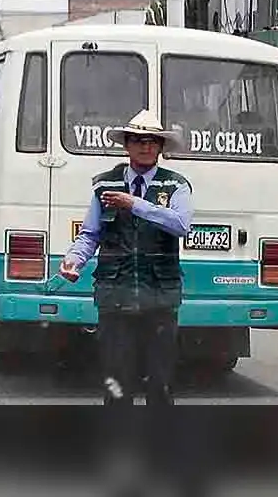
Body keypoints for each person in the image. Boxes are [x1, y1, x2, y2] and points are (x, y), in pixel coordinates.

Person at [59, 110, 194, 407]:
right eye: (137, 140)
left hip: (159, 298)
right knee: (117, 384)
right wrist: (73, 261)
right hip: (115, 297)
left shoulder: (176, 185)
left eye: (151, 141)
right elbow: (90, 234)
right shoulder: (104, 185)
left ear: (160, 147)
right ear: (127, 145)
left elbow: (182, 225)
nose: (145, 147)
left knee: (161, 384)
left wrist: (135, 204)